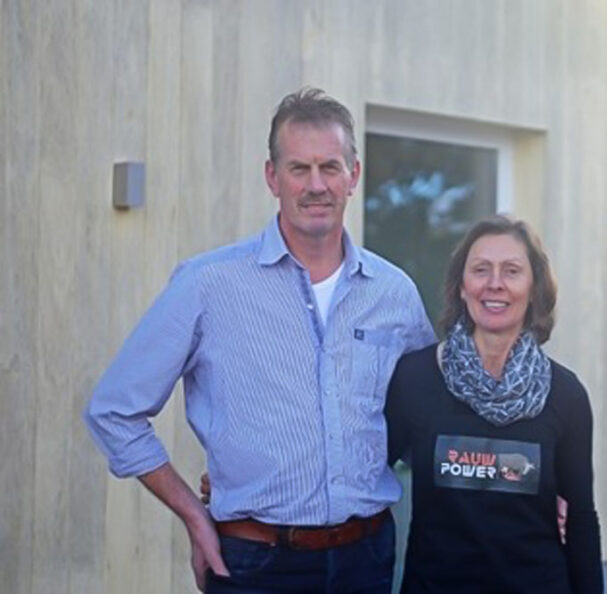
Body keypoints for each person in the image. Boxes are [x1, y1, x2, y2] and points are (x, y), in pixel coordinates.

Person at [84, 87, 436, 593]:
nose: (316, 185)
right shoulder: (207, 284)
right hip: (254, 566)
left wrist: (539, 492)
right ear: (272, 177)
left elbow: (431, 417)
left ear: (353, 175)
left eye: (330, 167)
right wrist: (193, 514)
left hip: (367, 559)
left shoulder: (394, 294)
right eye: (299, 168)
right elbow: (114, 411)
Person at [384, 215, 604, 593]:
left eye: (512, 270)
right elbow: (366, 475)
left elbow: (581, 520)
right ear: (462, 287)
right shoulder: (415, 378)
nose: (495, 283)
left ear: (534, 289)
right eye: (481, 269)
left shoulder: (565, 395)